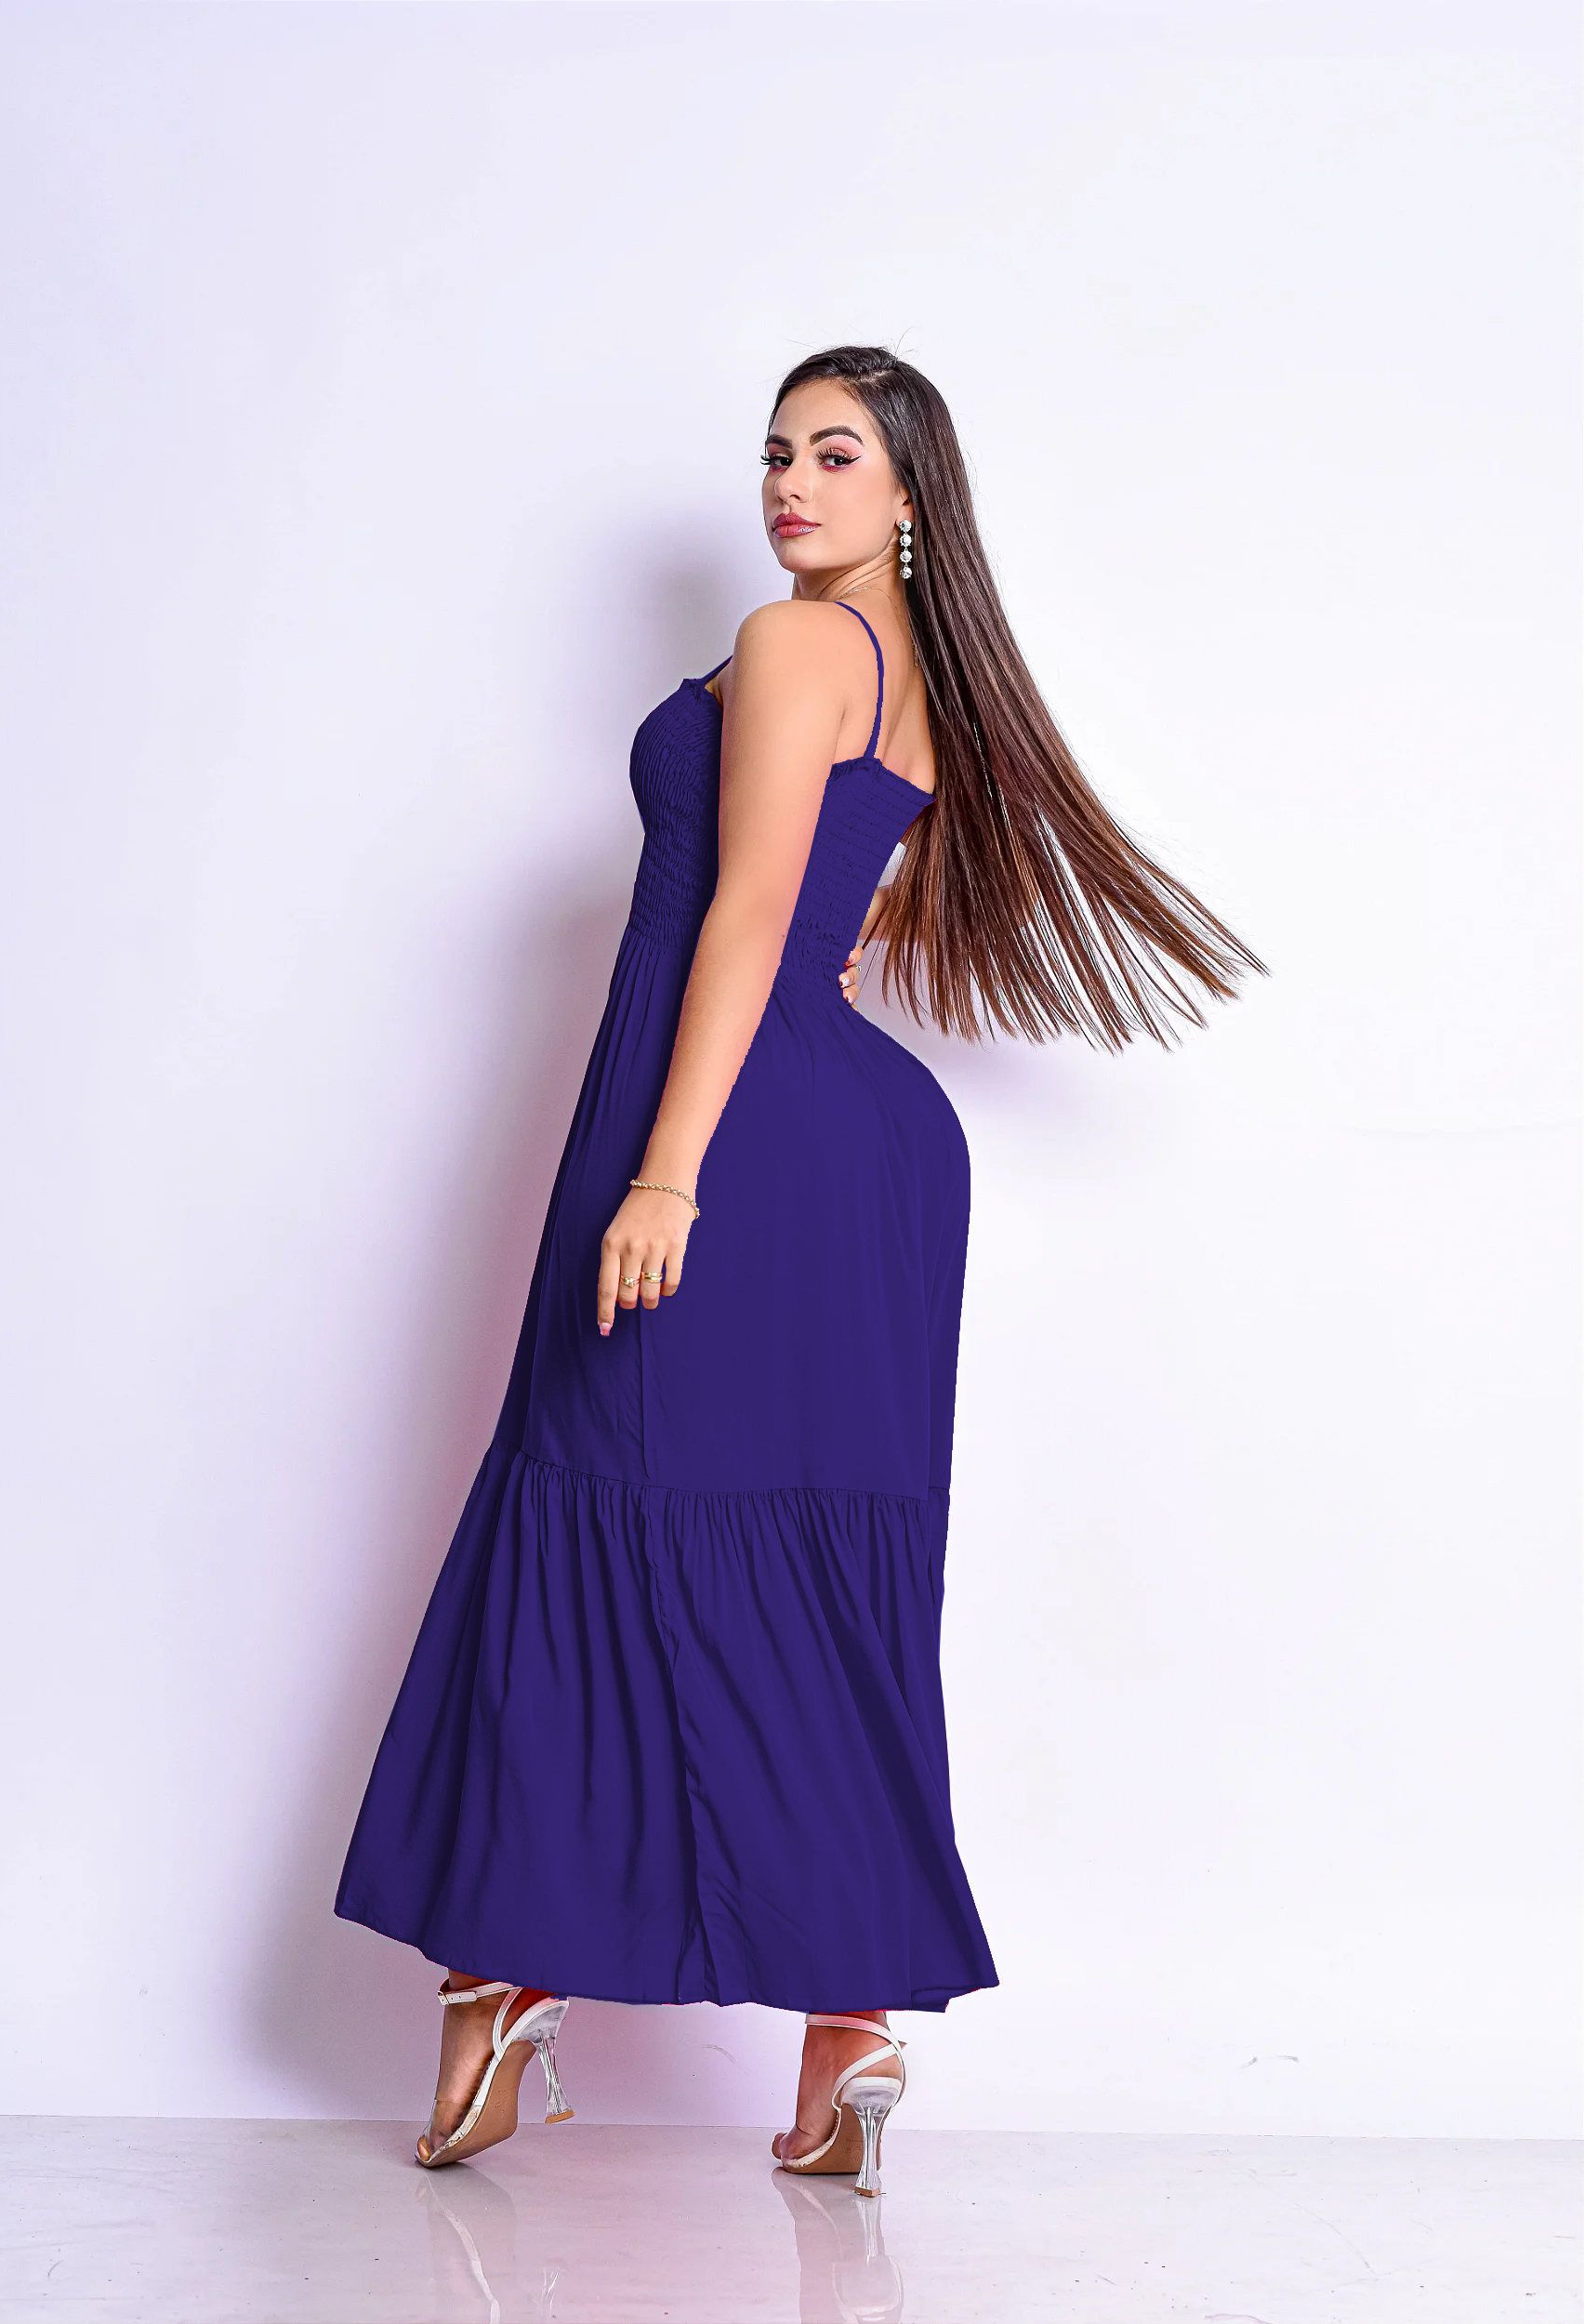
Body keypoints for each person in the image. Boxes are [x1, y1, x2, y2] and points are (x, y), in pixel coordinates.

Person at [335, 344, 1261, 2197]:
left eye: (834, 455)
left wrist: (666, 1170)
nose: (788, 483)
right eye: (774, 452)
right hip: (860, 1154)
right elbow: (835, 897)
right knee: (804, 1589)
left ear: (908, 493)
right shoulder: (924, 679)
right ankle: (849, 2039)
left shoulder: (792, 643)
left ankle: (502, 1979)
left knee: (584, 1514)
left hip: (728, 1136)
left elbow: (750, 911)